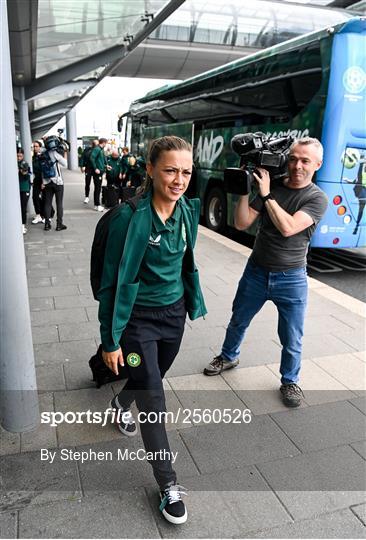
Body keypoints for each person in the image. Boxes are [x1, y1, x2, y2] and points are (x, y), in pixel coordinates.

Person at [98, 135, 207, 524]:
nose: (179, 179)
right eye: (170, 170)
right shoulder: (129, 218)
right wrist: (110, 340)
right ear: (150, 169)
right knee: (154, 399)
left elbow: (185, 264)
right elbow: (111, 282)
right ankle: (168, 485)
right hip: (136, 323)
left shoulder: (187, 212)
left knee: (154, 376)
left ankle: (120, 403)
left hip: (173, 315)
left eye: (186, 171)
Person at [203, 137, 328, 408]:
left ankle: (290, 381)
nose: (297, 165)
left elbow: (288, 227)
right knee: (238, 319)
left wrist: (268, 194)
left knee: (291, 336)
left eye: (305, 160)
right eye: (293, 158)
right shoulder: (272, 186)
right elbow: (241, 222)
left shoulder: (316, 198)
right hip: (256, 271)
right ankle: (228, 356)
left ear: (317, 164)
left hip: (291, 278)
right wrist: (246, 189)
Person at [41, 136, 68, 231]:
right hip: (58, 182)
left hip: (47, 182)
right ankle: (59, 224)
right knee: (59, 203)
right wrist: (64, 153)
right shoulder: (55, 153)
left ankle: (47, 224)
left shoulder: (43, 154)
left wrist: (43, 182)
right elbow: (65, 164)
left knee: (47, 203)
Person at [90, 137, 107, 211]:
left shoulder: (100, 150)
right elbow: (92, 158)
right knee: (97, 188)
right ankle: (97, 204)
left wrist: (106, 166)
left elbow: (100, 160)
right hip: (98, 172)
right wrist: (95, 168)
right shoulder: (97, 149)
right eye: (106, 143)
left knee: (98, 188)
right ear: (103, 143)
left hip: (100, 171)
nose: (106, 144)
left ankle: (96, 205)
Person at [17, 148, 31, 234]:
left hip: (24, 188)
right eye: (17, 156)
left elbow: (27, 175)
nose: (18, 158)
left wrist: (22, 171)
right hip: (17, 189)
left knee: (23, 207)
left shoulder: (25, 164)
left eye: (20, 156)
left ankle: (22, 225)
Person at [81, 139, 98, 204]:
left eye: (96, 143)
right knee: (87, 182)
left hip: (96, 169)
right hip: (88, 168)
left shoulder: (99, 150)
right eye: (94, 143)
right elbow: (82, 157)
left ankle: (96, 199)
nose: (94, 145)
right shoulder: (87, 149)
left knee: (96, 184)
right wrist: (82, 166)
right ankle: (87, 197)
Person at [31, 140, 44, 224]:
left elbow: (43, 170)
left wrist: (43, 182)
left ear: (40, 147)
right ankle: (38, 215)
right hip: (36, 179)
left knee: (45, 198)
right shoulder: (33, 156)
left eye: (36, 146)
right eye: (34, 146)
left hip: (43, 180)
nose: (35, 148)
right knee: (35, 197)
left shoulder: (42, 156)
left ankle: (47, 214)